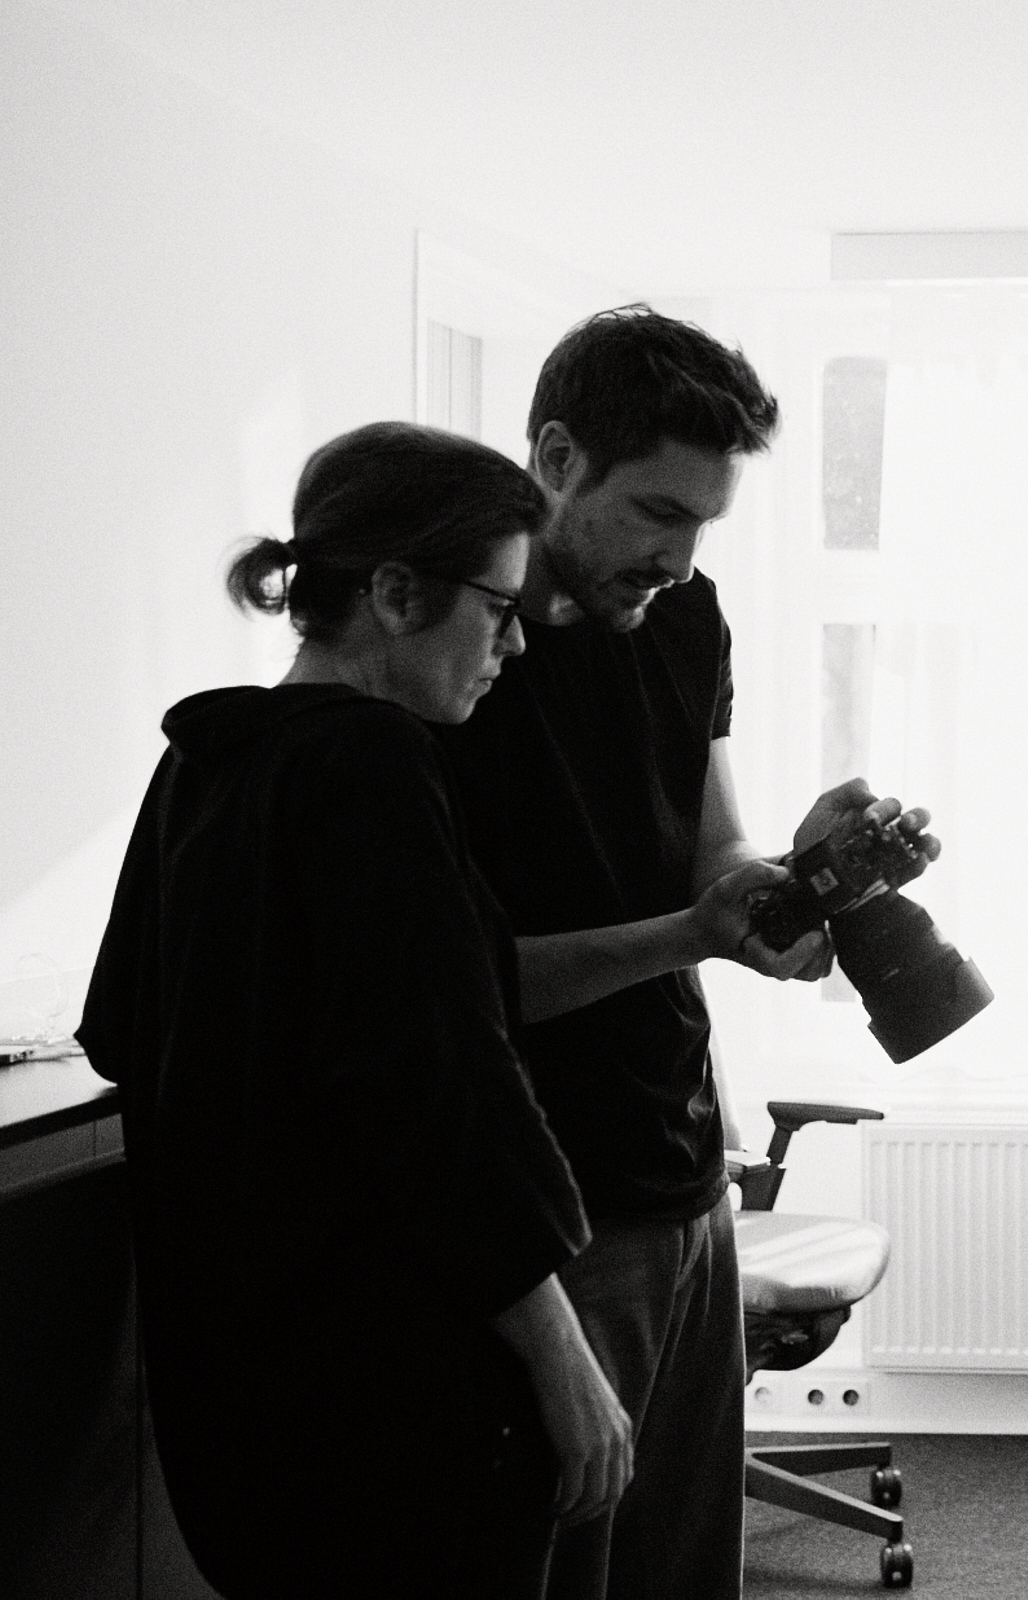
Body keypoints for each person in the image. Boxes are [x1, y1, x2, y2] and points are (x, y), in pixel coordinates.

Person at [77, 422, 631, 1599]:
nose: (516, 643)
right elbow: (442, 1096)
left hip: (233, 1410)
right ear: (393, 592)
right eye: (500, 607)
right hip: (393, 1409)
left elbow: (119, 1028)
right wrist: (562, 1356)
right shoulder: (371, 763)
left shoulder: (204, 763)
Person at [433, 305, 929, 1600]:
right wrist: (690, 933)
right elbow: (452, 983)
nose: (679, 554)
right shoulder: (452, 657)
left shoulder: (687, 615)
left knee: (686, 1570)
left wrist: (798, 881)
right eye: (656, 511)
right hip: (548, 1204)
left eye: (704, 522)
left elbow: (715, 861)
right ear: (555, 458)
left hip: (685, 1167)